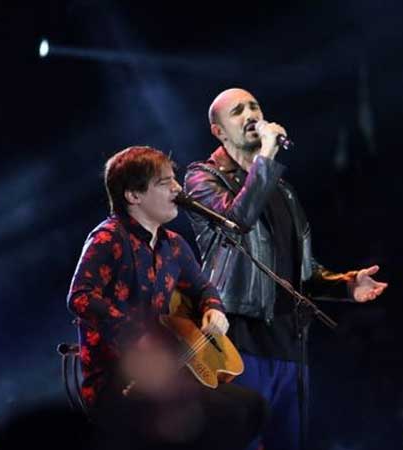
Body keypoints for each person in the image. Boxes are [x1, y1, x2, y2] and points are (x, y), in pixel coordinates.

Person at [184, 88, 389, 450]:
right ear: (218, 131)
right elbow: (236, 220)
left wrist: (346, 285)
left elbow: (302, 272)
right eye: (237, 111)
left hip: (291, 346)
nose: (250, 115)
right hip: (238, 345)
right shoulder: (201, 178)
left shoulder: (282, 189)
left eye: (254, 106)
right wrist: (266, 156)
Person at [66, 145, 266, 450]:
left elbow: (203, 289)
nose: (177, 188)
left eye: (175, 179)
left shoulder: (174, 245)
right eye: (165, 182)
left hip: (168, 374)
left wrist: (214, 310)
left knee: (252, 408)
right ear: (133, 195)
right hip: (119, 381)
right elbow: (79, 297)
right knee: (222, 418)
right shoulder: (108, 238)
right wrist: (137, 332)